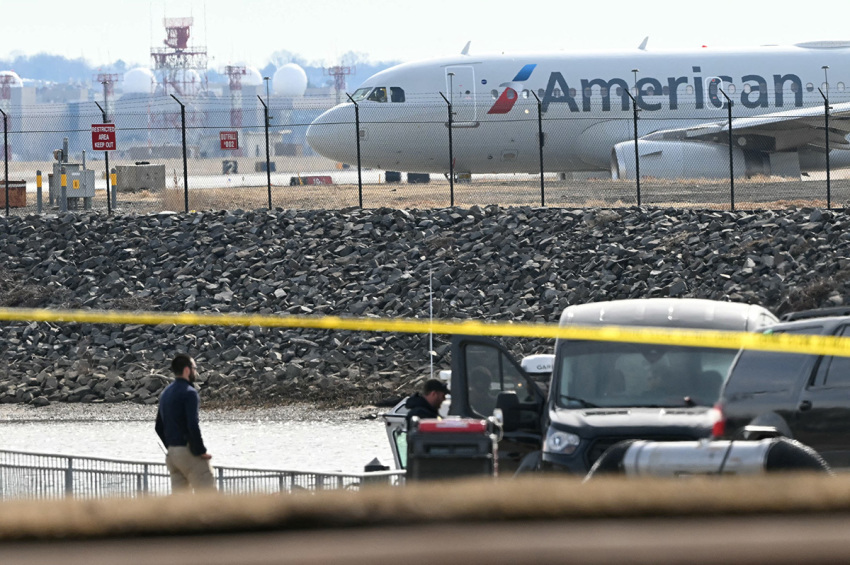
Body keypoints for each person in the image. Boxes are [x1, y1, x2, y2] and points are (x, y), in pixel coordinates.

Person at [155, 354, 216, 492]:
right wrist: (200, 451)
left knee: (181, 503)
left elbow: (158, 427)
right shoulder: (190, 393)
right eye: (194, 368)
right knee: (209, 496)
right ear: (187, 370)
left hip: (172, 455)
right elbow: (192, 425)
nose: (195, 371)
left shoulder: (165, 393)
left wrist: (171, 447)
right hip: (186, 451)